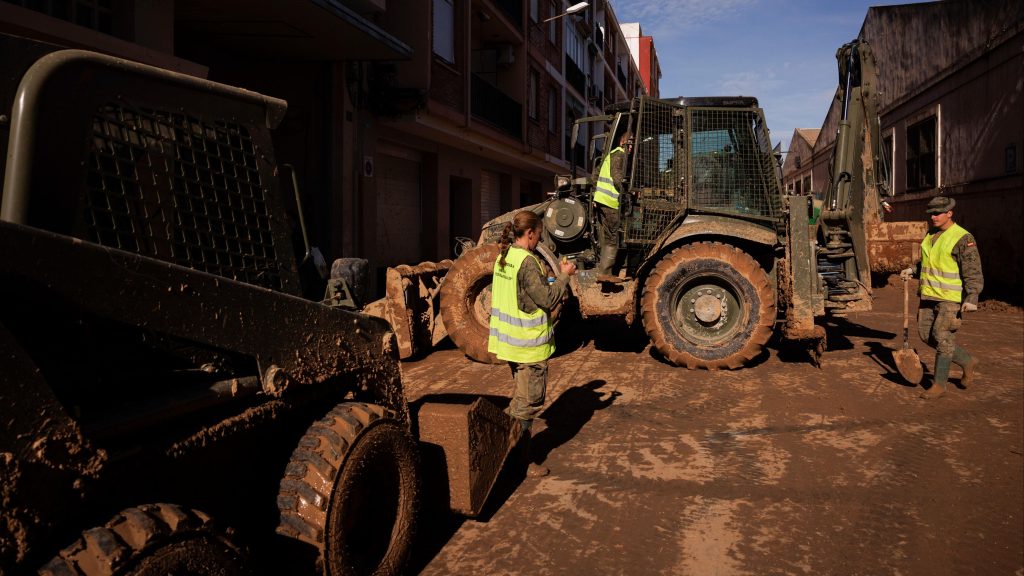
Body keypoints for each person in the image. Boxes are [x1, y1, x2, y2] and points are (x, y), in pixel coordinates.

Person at [488, 210, 576, 476]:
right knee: (527, 406)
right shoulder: (527, 262)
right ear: (529, 233)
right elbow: (547, 299)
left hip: (510, 344)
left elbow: (522, 293)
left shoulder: (505, 257)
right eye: (538, 235)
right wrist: (564, 276)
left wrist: (545, 281)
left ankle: (511, 455)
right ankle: (508, 456)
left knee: (520, 399)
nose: (539, 240)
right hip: (528, 347)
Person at [900, 195, 983, 399]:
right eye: (931, 214)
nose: (933, 217)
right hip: (928, 295)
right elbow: (928, 262)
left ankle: (939, 385)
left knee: (942, 336)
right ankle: (967, 360)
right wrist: (913, 270)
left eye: (937, 213)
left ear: (949, 213)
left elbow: (972, 270)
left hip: (950, 298)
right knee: (925, 334)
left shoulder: (963, 238)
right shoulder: (931, 234)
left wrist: (972, 296)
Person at [593, 130, 633, 283]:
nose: (631, 147)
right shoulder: (619, 155)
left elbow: (595, 175)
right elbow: (618, 179)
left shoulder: (612, 155)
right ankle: (605, 273)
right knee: (613, 235)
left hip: (604, 200)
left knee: (609, 234)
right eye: (630, 143)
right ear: (623, 142)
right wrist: (630, 189)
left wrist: (596, 196)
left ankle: (607, 271)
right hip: (609, 201)